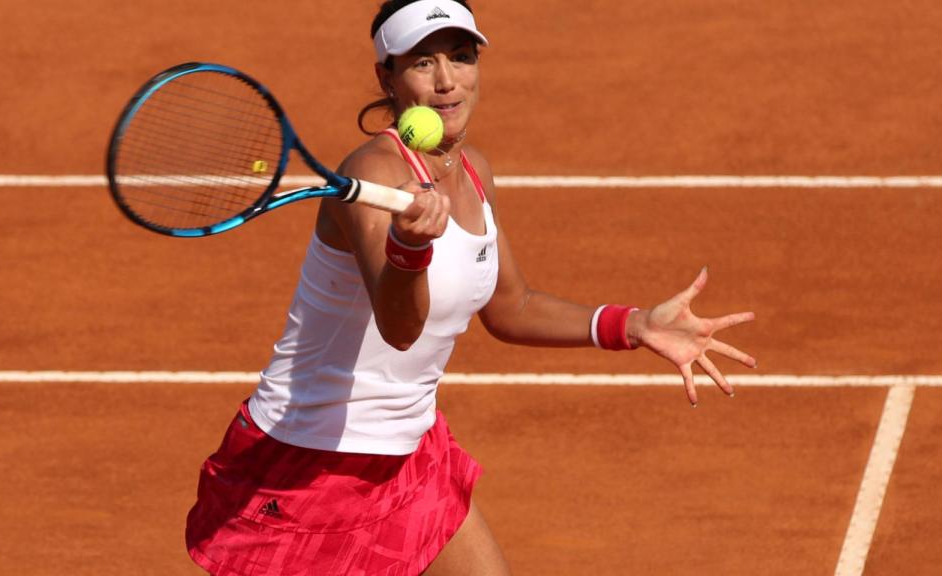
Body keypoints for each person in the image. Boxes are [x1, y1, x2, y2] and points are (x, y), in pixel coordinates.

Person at [185, 1, 757, 574]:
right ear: (387, 77)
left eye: (461, 57)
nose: (446, 82)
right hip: (312, 462)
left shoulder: (475, 171)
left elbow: (512, 306)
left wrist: (633, 325)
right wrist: (410, 248)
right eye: (422, 63)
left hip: (409, 451)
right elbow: (400, 328)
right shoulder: (374, 176)